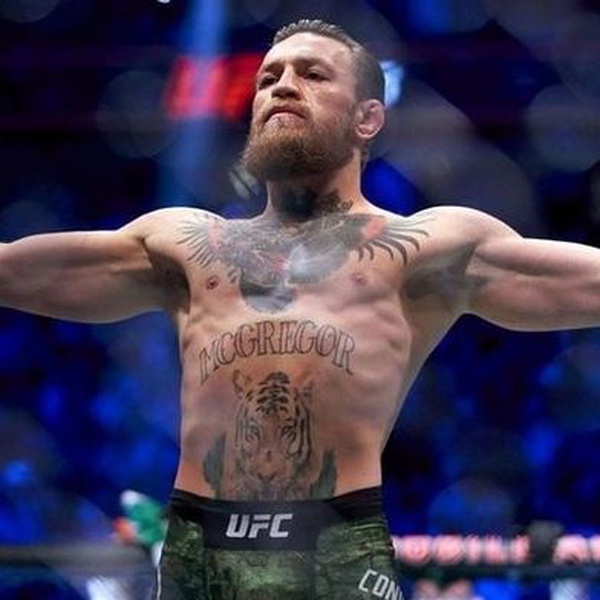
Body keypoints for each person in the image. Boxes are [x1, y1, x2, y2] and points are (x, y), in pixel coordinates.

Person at [1, 17, 600, 600]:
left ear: (368, 118)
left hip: (335, 555)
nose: (282, 86)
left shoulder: (425, 248)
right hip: (198, 558)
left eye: (312, 74)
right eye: (269, 78)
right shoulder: (184, 244)